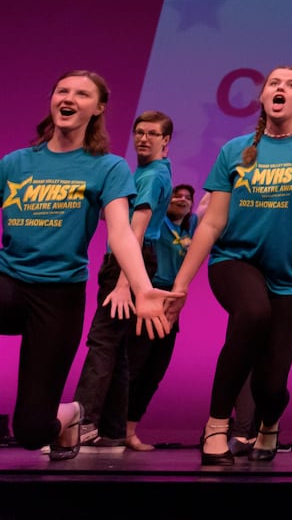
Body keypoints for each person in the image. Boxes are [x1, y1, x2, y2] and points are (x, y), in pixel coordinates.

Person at [166, 65, 292, 466]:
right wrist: (181, 285)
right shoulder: (233, 150)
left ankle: (269, 423)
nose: (280, 88)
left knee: (271, 383)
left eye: (291, 84)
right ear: (263, 97)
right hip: (235, 259)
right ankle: (218, 425)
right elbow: (213, 221)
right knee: (251, 313)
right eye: (273, 83)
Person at [0, 70, 169, 458]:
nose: (69, 98)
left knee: (29, 432)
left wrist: (142, 289)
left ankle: (69, 416)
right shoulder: (15, 163)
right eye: (62, 90)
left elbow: (122, 233)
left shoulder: (107, 168)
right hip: (8, 282)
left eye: (81, 93)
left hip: (58, 297)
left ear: (98, 108)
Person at [71, 110, 176, 449]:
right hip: (134, 260)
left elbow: (138, 227)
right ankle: (114, 430)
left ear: (166, 141)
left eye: (152, 134)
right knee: (117, 348)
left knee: (101, 343)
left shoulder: (152, 176)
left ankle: (81, 423)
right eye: (139, 132)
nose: (143, 138)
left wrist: (123, 282)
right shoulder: (145, 172)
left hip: (129, 261)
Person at [123, 182, 197, 451]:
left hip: (172, 303)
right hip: (150, 294)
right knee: (134, 364)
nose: (182, 200)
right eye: (177, 195)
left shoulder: (190, 227)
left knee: (154, 370)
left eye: (188, 198)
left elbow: (209, 207)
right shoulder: (157, 223)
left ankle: (129, 431)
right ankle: (108, 428)